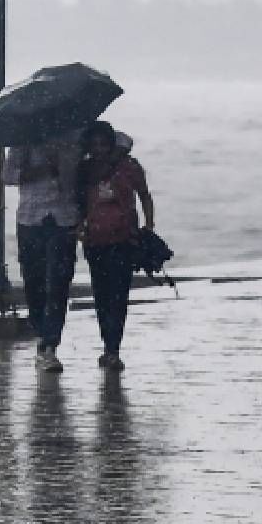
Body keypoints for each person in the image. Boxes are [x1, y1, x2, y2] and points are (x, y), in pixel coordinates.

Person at [76, 121, 154, 371]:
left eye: (104, 143)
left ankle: (113, 348)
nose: (99, 149)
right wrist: (79, 227)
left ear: (111, 144)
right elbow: (78, 203)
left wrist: (149, 226)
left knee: (119, 296)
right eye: (94, 144)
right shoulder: (85, 170)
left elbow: (144, 195)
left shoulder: (129, 167)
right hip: (95, 242)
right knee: (102, 296)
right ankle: (108, 345)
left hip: (124, 240)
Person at [2, 133, 83, 372]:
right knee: (34, 281)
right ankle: (40, 331)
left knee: (59, 282)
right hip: (31, 218)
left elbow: (118, 143)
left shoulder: (74, 138)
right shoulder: (22, 142)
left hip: (64, 218)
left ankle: (50, 344)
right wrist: (39, 170)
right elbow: (7, 175)